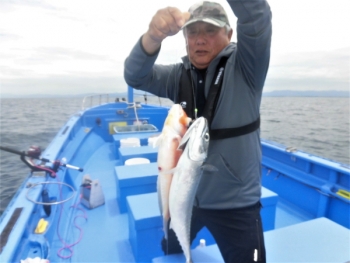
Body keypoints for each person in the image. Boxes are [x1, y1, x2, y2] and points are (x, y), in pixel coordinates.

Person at [124, 0, 272, 262]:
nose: (200, 40)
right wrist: (153, 37)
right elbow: (135, 76)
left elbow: (257, 17)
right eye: (193, 32)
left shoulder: (248, 67)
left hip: (237, 205)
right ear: (184, 38)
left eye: (210, 31)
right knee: (171, 252)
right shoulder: (176, 76)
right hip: (184, 199)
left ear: (229, 34)